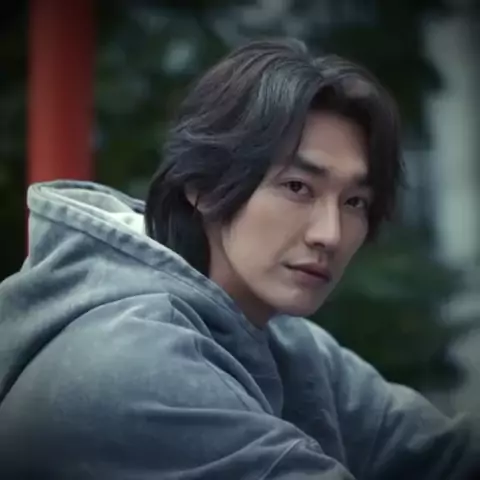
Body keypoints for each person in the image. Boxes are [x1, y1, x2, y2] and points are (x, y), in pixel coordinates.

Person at [0, 38, 477, 479]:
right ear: (202, 186)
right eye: (297, 187)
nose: (330, 234)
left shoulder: (286, 343)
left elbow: (444, 456)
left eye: (355, 202)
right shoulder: (134, 364)